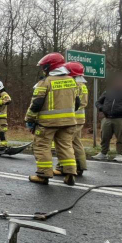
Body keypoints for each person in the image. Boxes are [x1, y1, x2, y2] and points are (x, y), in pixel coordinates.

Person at [26, 52, 80, 186]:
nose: (43, 69)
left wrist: (30, 120)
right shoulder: (71, 81)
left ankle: (43, 175)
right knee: (66, 147)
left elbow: (36, 104)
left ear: (49, 67)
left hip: (47, 124)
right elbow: (77, 103)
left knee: (42, 147)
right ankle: (70, 173)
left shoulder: (45, 82)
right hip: (69, 122)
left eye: (44, 67)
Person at [55, 62, 88, 177]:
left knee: (65, 143)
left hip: (72, 119)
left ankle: (63, 167)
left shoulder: (73, 85)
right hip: (79, 119)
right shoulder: (82, 85)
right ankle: (80, 167)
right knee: (76, 143)